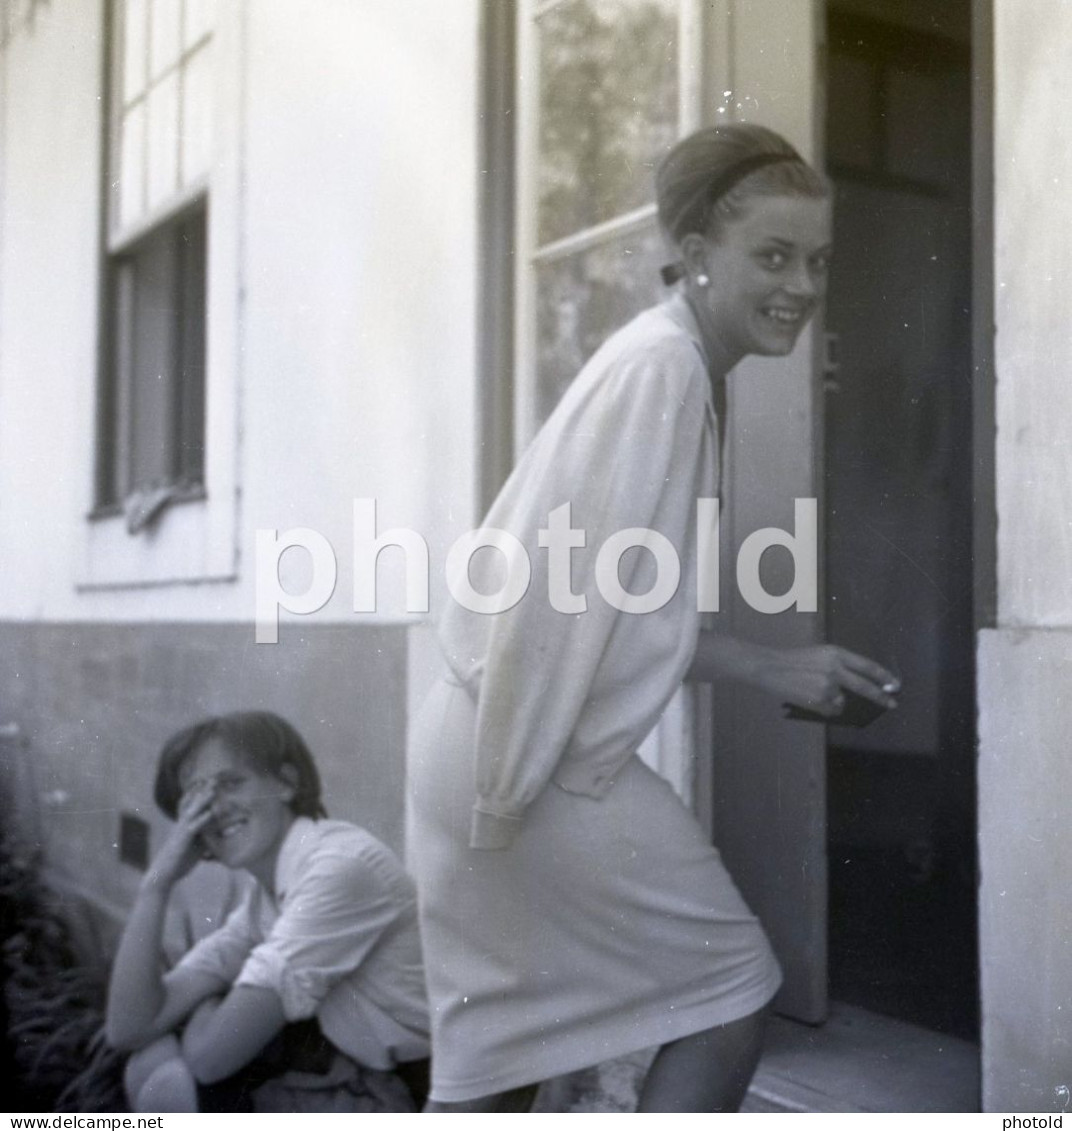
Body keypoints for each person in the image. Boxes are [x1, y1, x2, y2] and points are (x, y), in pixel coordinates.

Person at [406, 123, 900, 1113]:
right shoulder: (662, 372)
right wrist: (510, 797)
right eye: (770, 255)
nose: (801, 285)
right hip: (520, 754)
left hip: (484, 738)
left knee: (501, 1065)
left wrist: (774, 666)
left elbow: (612, 605)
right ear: (690, 253)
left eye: (815, 260)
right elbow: (561, 612)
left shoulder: (676, 366)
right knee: (727, 994)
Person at [105, 710, 430, 1112]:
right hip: (355, 1072)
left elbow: (210, 1059)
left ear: (286, 783)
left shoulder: (338, 869)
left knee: (175, 1078)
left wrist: (204, 1004)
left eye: (230, 783)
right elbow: (128, 1028)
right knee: (150, 1059)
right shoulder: (263, 900)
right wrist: (156, 883)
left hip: (425, 1092)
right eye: (197, 797)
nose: (216, 808)